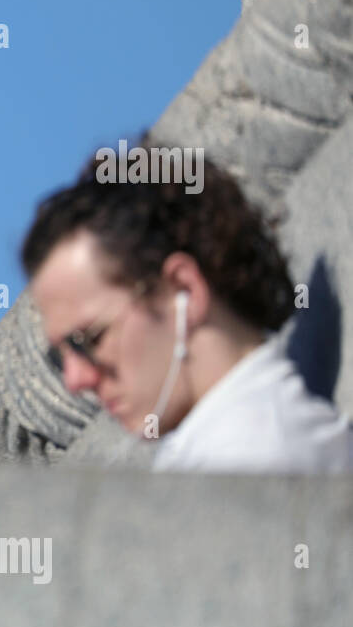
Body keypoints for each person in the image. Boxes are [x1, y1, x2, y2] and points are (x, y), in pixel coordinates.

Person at [21, 142, 353, 472]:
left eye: (87, 340)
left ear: (186, 290)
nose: (75, 380)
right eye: (61, 355)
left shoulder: (255, 459)